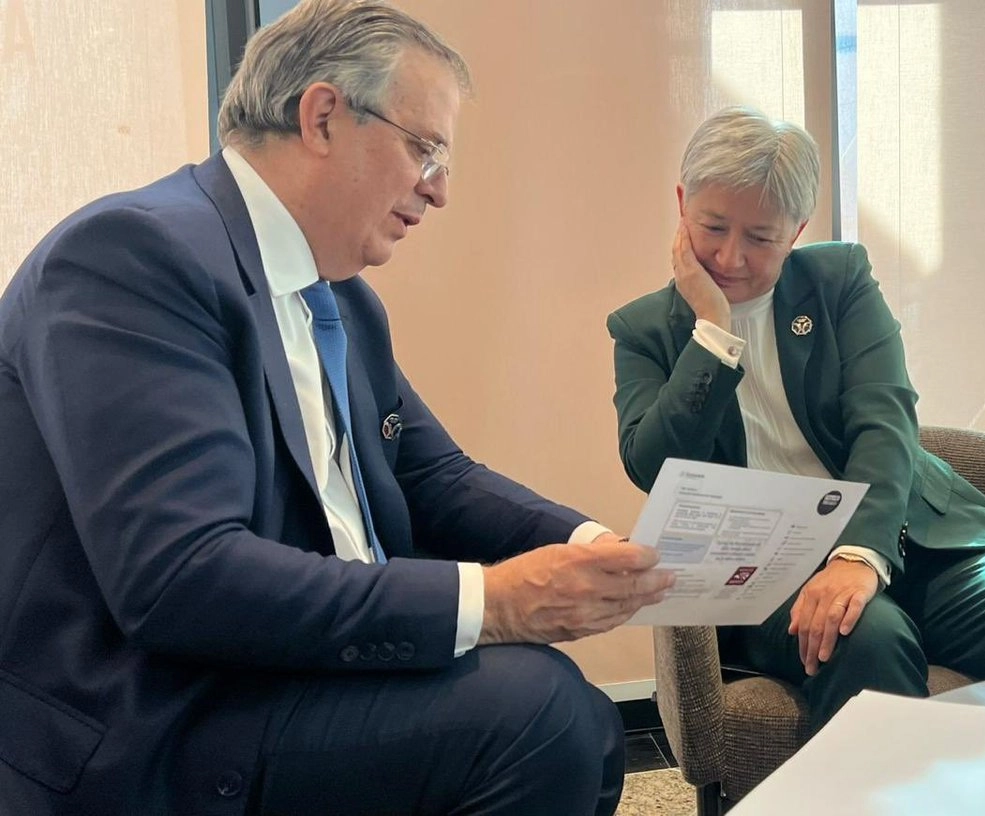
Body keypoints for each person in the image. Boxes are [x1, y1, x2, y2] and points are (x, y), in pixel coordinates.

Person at [0, 2, 674, 814]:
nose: (440, 191)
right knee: (539, 715)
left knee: (585, 724)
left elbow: (436, 476)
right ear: (322, 117)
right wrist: (494, 604)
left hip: (285, 676)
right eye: (425, 150)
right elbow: (181, 576)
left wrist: (594, 547)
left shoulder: (342, 301)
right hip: (163, 713)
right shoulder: (135, 256)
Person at [606, 106, 985, 731]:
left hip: (907, 536)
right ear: (682, 203)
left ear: (796, 231)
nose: (730, 257)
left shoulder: (839, 281)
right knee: (861, 635)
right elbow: (653, 467)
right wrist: (712, 332)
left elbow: (886, 419)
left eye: (761, 238)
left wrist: (859, 554)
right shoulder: (644, 330)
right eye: (713, 227)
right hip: (767, 573)